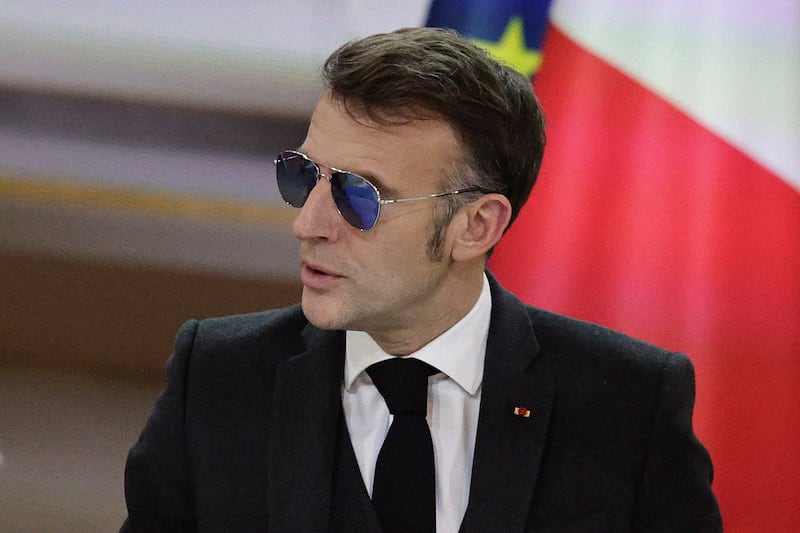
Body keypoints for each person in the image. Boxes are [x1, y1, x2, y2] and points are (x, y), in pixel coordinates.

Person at [121, 27, 721, 532]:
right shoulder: (220, 378)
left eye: (361, 195)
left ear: (476, 226)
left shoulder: (627, 405)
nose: (308, 223)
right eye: (304, 177)